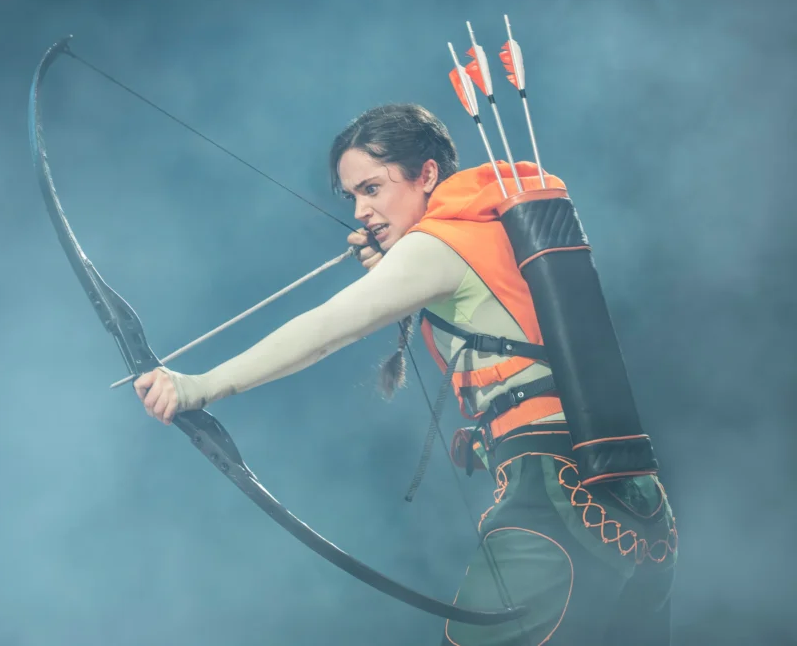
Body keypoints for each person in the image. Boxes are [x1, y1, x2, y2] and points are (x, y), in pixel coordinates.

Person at [133, 103, 678, 645]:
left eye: (372, 188)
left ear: (427, 175)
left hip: (553, 494)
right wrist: (399, 265)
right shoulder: (493, 228)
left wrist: (197, 387)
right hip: (634, 497)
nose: (361, 211)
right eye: (353, 197)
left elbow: (323, 330)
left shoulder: (438, 245)